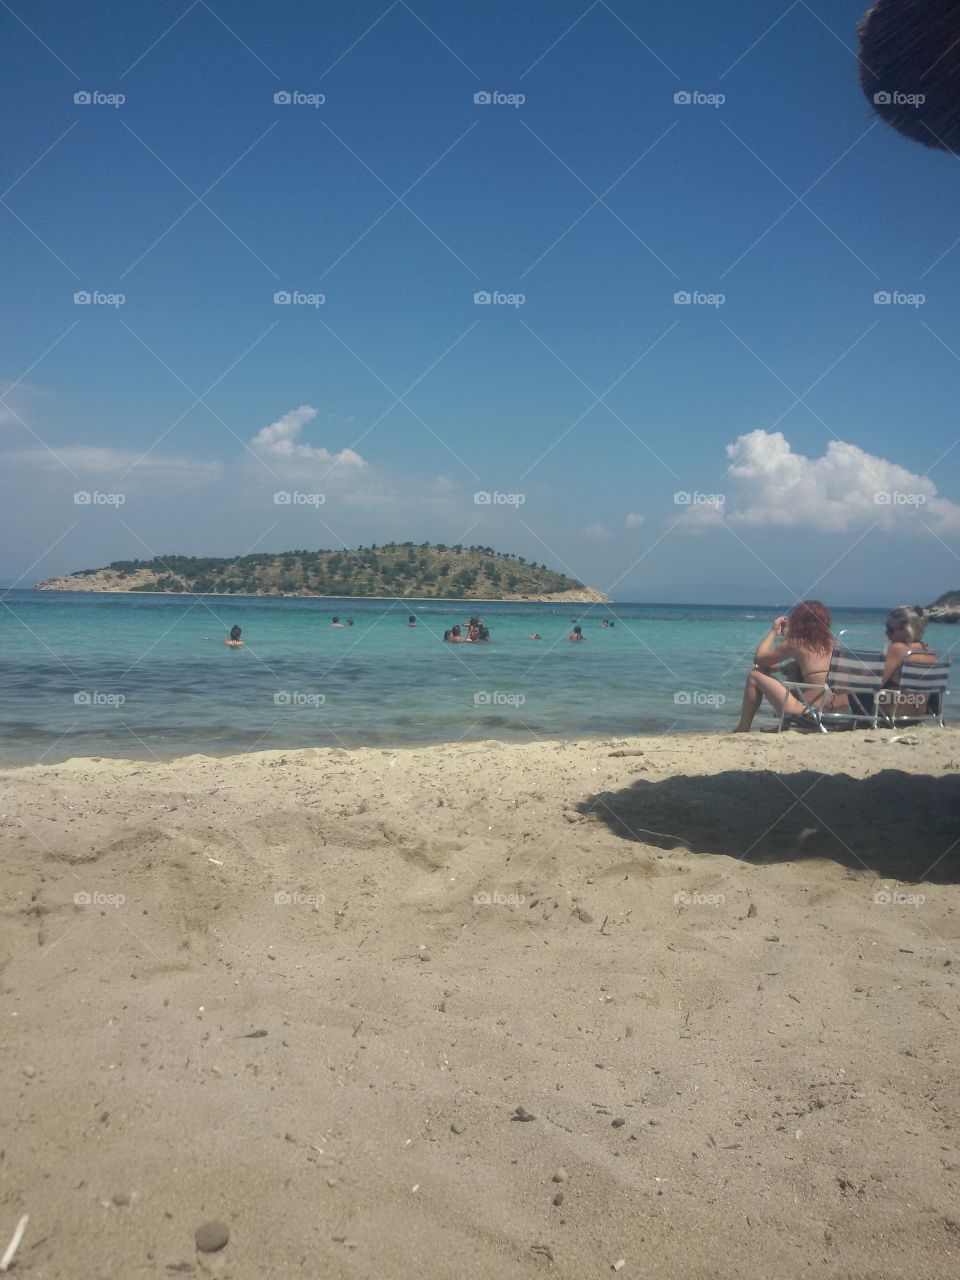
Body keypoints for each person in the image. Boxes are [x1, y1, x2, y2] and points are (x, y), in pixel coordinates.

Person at [734, 600, 839, 731]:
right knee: (794, 672)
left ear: (799, 622)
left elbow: (759, 658)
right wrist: (781, 668)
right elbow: (806, 667)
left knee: (754, 675)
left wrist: (774, 632)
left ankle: (742, 728)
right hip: (840, 715)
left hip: (811, 714)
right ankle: (784, 726)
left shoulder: (798, 643)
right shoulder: (833, 643)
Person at [878, 605, 937, 721]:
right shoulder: (930, 653)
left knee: (854, 689)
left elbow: (876, 683)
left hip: (892, 713)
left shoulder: (898, 649)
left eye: (890, 629)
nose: (886, 633)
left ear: (906, 630)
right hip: (917, 716)